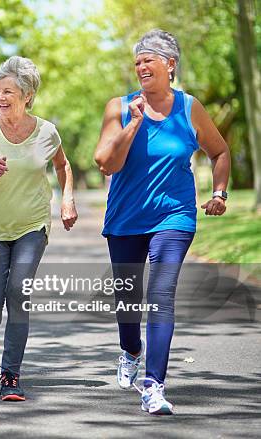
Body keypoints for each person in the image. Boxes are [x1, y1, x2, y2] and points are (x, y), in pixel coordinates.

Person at [94, 29, 230, 415]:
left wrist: (219, 193)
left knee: (160, 296)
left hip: (175, 215)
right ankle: (131, 349)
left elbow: (220, 152)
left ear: (170, 65)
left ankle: (153, 386)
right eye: (137, 61)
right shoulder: (118, 107)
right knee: (127, 300)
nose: (140, 66)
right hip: (125, 218)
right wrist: (133, 124)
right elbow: (105, 163)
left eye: (148, 59)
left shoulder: (190, 108)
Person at [0, 56, 78, 401]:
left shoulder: (45, 132)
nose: (0, 97)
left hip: (31, 224)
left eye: (8, 91)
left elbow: (63, 166)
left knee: (18, 294)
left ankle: (11, 376)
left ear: (27, 95)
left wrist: (67, 200)